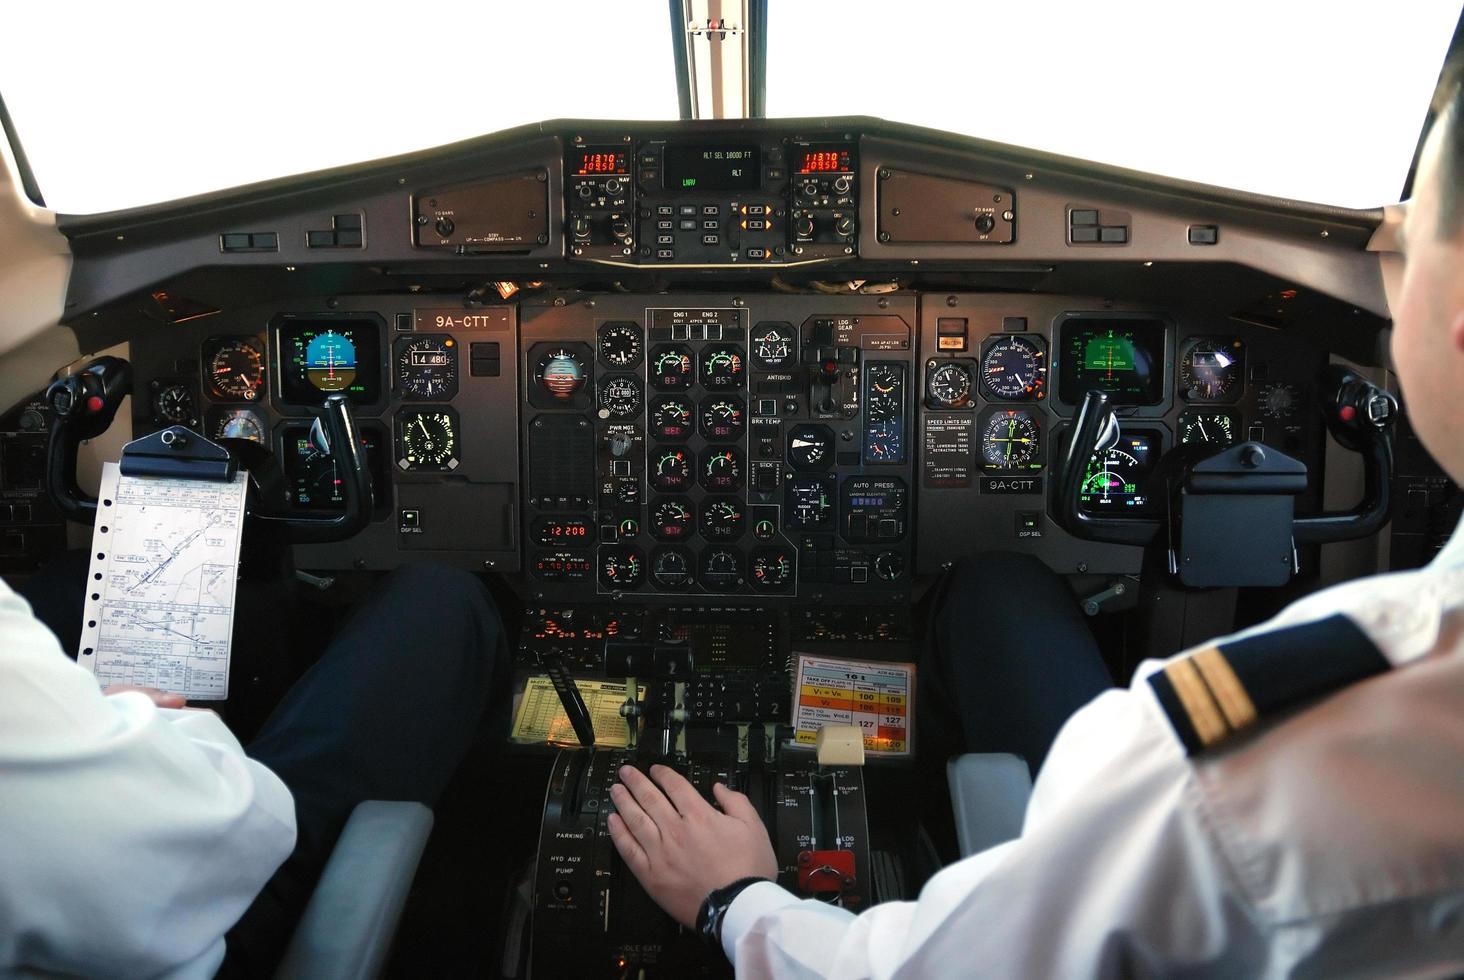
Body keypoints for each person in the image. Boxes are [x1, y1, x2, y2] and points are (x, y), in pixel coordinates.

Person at [604, 62, 1464, 977]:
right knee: (999, 583)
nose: (1387, 272)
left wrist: (736, 902)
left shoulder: (1230, 778)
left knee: (994, 585)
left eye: (1406, 251)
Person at [0, 560, 507, 978]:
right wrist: (161, 722)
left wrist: (88, 707)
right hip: (203, 917)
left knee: (62, 589)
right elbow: (235, 816)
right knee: (441, 598)